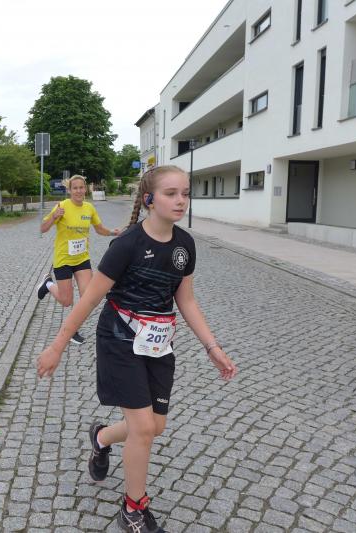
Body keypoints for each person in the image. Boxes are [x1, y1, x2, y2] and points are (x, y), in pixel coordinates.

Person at [36, 165, 237, 532]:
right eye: (171, 193)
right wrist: (57, 345)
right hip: (118, 340)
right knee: (142, 428)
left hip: (158, 345)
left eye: (185, 193)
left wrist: (212, 347)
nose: (181, 200)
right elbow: (89, 298)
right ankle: (133, 510)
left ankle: (101, 438)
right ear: (149, 199)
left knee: (154, 426)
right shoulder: (127, 244)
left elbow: (186, 300)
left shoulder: (185, 245)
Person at [36, 175, 120, 345]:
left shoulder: (89, 208)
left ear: (85, 189)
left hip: (82, 259)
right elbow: (42, 228)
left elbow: (99, 229)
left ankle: (72, 330)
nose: (79, 191)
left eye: (81, 187)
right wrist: (53, 217)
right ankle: (48, 284)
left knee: (87, 297)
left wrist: (113, 232)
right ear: (69, 190)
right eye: (75, 188)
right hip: (64, 259)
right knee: (66, 301)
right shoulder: (62, 206)